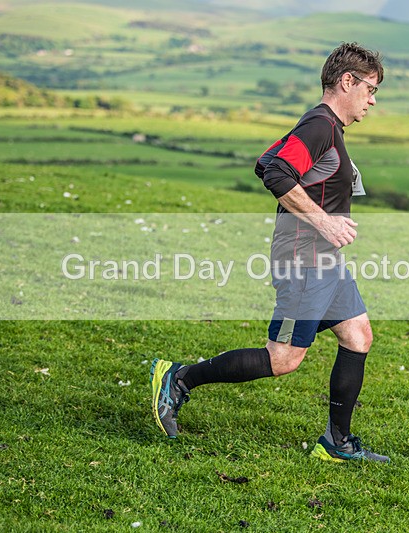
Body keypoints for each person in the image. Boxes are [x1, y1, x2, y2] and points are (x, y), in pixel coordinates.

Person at [151, 42, 388, 463]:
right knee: (283, 358)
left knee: (358, 335)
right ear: (346, 81)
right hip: (304, 260)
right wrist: (323, 220)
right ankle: (179, 378)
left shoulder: (327, 128)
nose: (372, 100)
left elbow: (266, 159)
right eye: (370, 89)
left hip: (325, 261)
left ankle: (337, 442)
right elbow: (276, 170)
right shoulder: (319, 124)